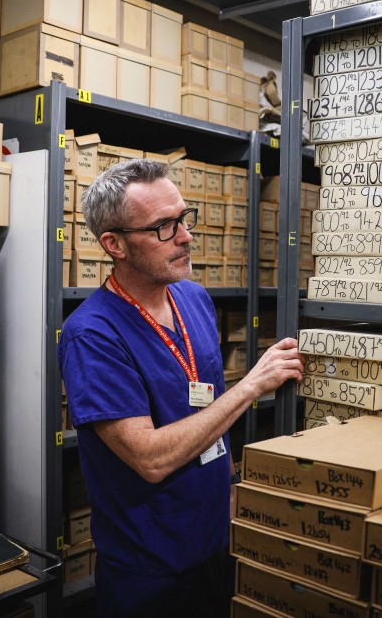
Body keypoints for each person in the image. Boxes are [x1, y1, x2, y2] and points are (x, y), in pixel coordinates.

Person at [58, 159, 304, 617]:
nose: (186, 236)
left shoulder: (193, 297)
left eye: (185, 218)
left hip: (216, 538)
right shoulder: (92, 335)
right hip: (151, 565)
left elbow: (202, 403)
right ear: (114, 244)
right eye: (163, 227)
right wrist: (251, 386)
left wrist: (227, 482)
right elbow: (150, 458)